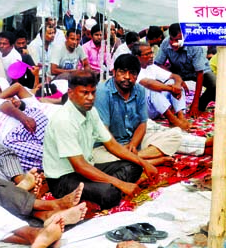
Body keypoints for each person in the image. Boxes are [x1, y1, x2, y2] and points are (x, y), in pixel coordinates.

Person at [43, 70, 158, 210]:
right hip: (63, 179)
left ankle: (106, 188)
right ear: (71, 93)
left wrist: (143, 162)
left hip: (87, 168)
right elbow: (79, 166)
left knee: (134, 166)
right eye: (84, 93)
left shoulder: (91, 111)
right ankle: (107, 191)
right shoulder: (64, 120)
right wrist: (120, 183)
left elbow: (112, 145)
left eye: (93, 92)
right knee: (108, 194)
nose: (90, 98)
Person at [96, 55, 212, 163]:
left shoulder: (138, 89)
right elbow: (104, 134)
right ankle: (150, 159)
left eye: (132, 73)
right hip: (107, 145)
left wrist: (133, 144)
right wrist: (124, 150)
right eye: (122, 72)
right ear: (114, 72)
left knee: (174, 136)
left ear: (137, 75)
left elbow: (142, 123)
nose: (127, 77)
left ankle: (136, 158)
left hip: (132, 139)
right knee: (100, 161)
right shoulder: (103, 92)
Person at [155, 23, 215, 115]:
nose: (173, 43)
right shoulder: (165, 43)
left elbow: (199, 73)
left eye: (177, 40)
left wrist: (195, 103)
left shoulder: (195, 45)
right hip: (178, 71)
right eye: (171, 39)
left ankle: (200, 106)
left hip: (198, 71)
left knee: (215, 85)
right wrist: (176, 78)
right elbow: (158, 64)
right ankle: (167, 106)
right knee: (157, 77)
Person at [136, 44, 190, 131]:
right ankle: (173, 120)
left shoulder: (151, 67)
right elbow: (148, 83)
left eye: (151, 53)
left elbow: (175, 76)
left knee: (174, 83)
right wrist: (172, 89)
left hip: (156, 108)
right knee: (152, 89)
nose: (151, 56)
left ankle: (181, 116)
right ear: (137, 57)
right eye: (147, 54)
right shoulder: (134, 69)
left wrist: (177, 84)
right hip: (144, 110)